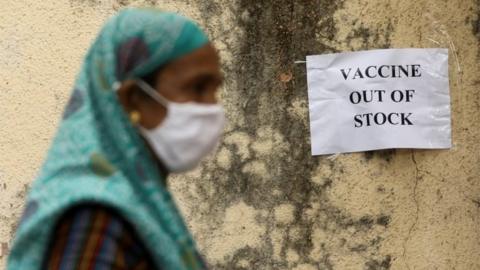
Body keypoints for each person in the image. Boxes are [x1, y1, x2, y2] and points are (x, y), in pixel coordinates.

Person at [6, 7, 225, 270]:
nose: (213, 108)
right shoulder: (96, 221)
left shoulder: (137, 202)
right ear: (133, 98)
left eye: (215, 90)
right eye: (198, 88)